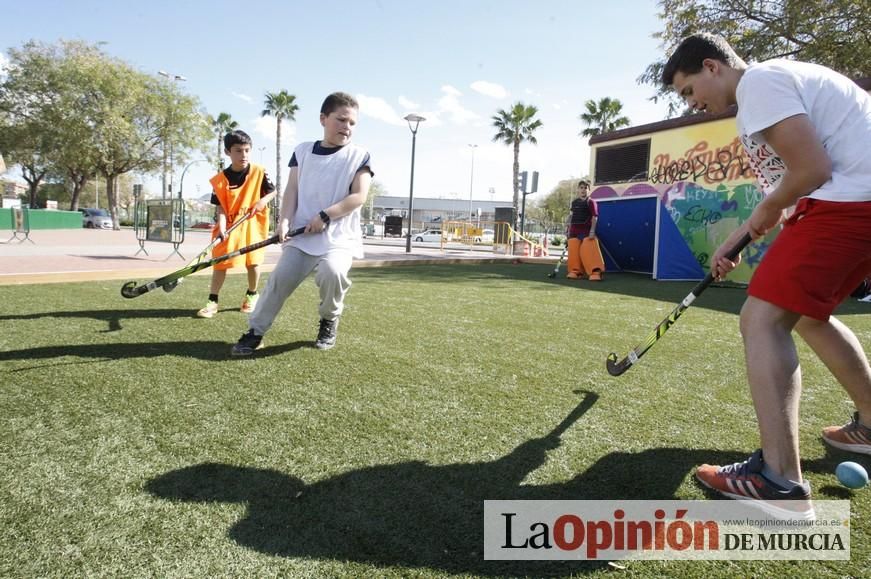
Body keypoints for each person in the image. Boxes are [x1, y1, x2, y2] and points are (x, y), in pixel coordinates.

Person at [662, 33, 871, 518]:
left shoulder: (759, 82)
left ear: (712, 67)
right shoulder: (766, 93)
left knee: (761, 319)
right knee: (807, 316)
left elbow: (811, 170)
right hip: (854, 201)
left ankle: (780, 480)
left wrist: (776, 205)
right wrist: (735, 244)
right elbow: (785, 191)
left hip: (850, 202)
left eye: (689, 91)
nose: (693, 105)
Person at [231, 91, 373, 356]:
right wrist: (283, 222)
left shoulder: (359, 156)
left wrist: (325, 215)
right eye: (341, 120)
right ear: (323, 119)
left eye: (352, 123)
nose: (347, 127)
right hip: (302, 237)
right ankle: (255, 332)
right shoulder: (303, 151)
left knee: (333, 273)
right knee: (279, 281)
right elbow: (292, 191)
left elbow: (359, 196)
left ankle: (329, 320)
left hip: (338, 238)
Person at [197, 130, 276, 318]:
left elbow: (272, 191)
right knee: (219, 263)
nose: (244, 155)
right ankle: (212, 301)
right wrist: (222, 228)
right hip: (229, 227)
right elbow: (221, 209)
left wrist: (262, 201)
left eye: (247, 150)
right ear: (228, 152)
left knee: (253, 262)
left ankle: (251, 295)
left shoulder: (260, 172)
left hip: (253, 226)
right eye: (239, 151)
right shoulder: (219, 181)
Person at [565, 179, 601, 280]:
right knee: (573, 247)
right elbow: (571, 216)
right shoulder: (574, 202)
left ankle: (595, 272)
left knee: (589, 246)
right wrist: (567, 228)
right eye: (581, 188)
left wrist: (592, 230)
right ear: (578, 189)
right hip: (574, 230)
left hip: (586, 230)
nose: (583, 190)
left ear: (589, 190)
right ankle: (576, 271)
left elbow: (595, 217)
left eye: (586, 188)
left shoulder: (591, 202)